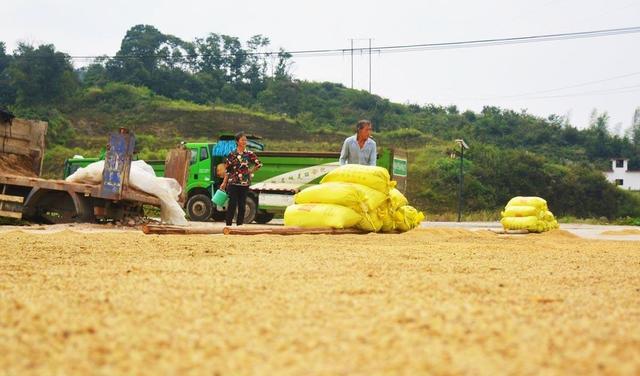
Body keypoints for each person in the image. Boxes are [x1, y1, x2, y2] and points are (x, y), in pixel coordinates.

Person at [220, 132, 262, 226]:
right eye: (242, 140)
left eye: (245, 140)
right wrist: (224, 183)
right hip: (233, 183)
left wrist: (250, 172)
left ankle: (239, 226)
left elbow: (258, 164)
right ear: (237, 141)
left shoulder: (249, 154)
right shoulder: (232, 154)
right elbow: (228, 170)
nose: (244, 142)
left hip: (244, 184)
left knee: (242, 206)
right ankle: (228, 225)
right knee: (232, 205)